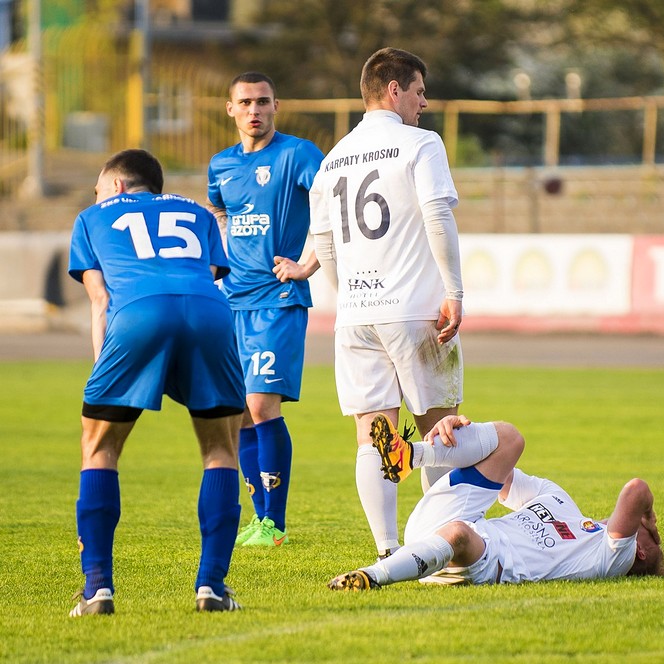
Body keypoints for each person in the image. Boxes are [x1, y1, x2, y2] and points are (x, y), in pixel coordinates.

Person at [67, 149, 245, 615]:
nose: (98, 196)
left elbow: (101, 301)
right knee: (221, 448)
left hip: (137, 316)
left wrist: (102, 375)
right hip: (209, 314)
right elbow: (203, 280)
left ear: (119, 187)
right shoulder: (197, 213)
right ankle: (212, 587)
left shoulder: (90, 218)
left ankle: (97, 589)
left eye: (100, 188)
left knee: (99, 446)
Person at [309, 47, 465, 558]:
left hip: (355, 316)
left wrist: (349, 296)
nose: (424, 102)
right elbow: (438, 218)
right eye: (419, 91)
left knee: (371, 434)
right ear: (394, 90)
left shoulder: (331, 160)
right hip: (414, 311)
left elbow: (326, 246)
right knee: (440, 426)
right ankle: (435, 544)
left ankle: (385, 549)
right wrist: (454, 292)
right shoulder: (420, 144)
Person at [328, 413, 664, 589]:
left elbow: (636, 491)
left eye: (650, 533)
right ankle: (411, 455)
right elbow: (499, 471)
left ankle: (372, 575)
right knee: (509, 439)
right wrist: (454, 434)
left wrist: (649, 519)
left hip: (480, 560)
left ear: (639, 549)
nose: (649, 526)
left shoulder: (610, 559)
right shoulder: (563, 504)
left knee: (458, 533)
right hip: (442, 523)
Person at [207, 72, 325, 548]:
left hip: (277, 300)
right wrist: (220, 260)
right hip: (232, 301)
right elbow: (218, 211)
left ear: (277, 106)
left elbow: (333, 208)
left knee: (260, 404)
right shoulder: (221, 165)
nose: (254, 109)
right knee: (238, 413)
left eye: (263, 101)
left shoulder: (298, 154)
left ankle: (274, 523)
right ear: (230, 109)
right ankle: (261, 522)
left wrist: (308, 265)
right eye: (245, 102)